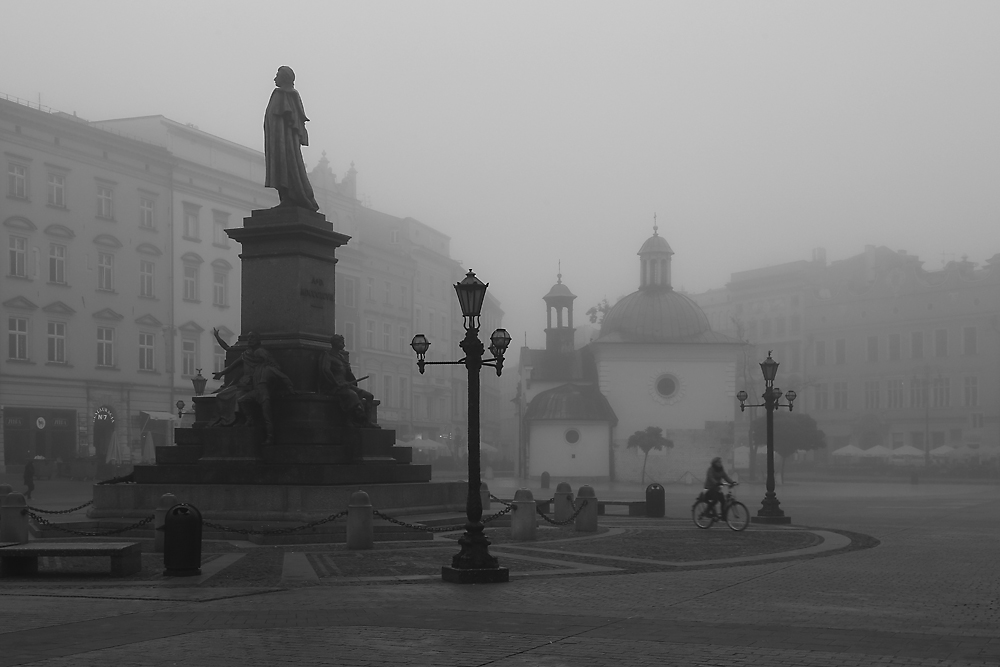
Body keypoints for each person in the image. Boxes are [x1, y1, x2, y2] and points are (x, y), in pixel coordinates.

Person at [212, 331, 294, 445]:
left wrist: (288, 390)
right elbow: (232, 365)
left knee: (262, 412)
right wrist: (221, 373)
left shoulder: (265, 365)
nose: (250, 340)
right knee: (226, 395)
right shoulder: (245, 354)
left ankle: (264, 433)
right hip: (248, 386)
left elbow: (279, 373)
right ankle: (231, 419)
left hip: (257, 389)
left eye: (253, 337)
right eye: (249, 337)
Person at [264, 66, 319, 211]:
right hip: (283, 142)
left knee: (284, 168)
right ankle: (290, 197)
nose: (275, 78)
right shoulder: (292, 95)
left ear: (285, 77)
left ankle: (289, 198)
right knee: (289, 168)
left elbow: (286, 121)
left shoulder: (281, 94)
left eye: (277, 75)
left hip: (281, 143)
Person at [318, 334, 377, 428]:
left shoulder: (341, 357)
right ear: (335, 343)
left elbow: (348, 374)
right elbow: (326, 370)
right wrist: (335, 383)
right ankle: (348, 421)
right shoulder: (328, 356)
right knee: (352, 395)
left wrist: (349, 373)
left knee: (369, 396)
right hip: (335, 387)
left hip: (346, 385)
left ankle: (367, 422)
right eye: (342, 343)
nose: (344, 345)